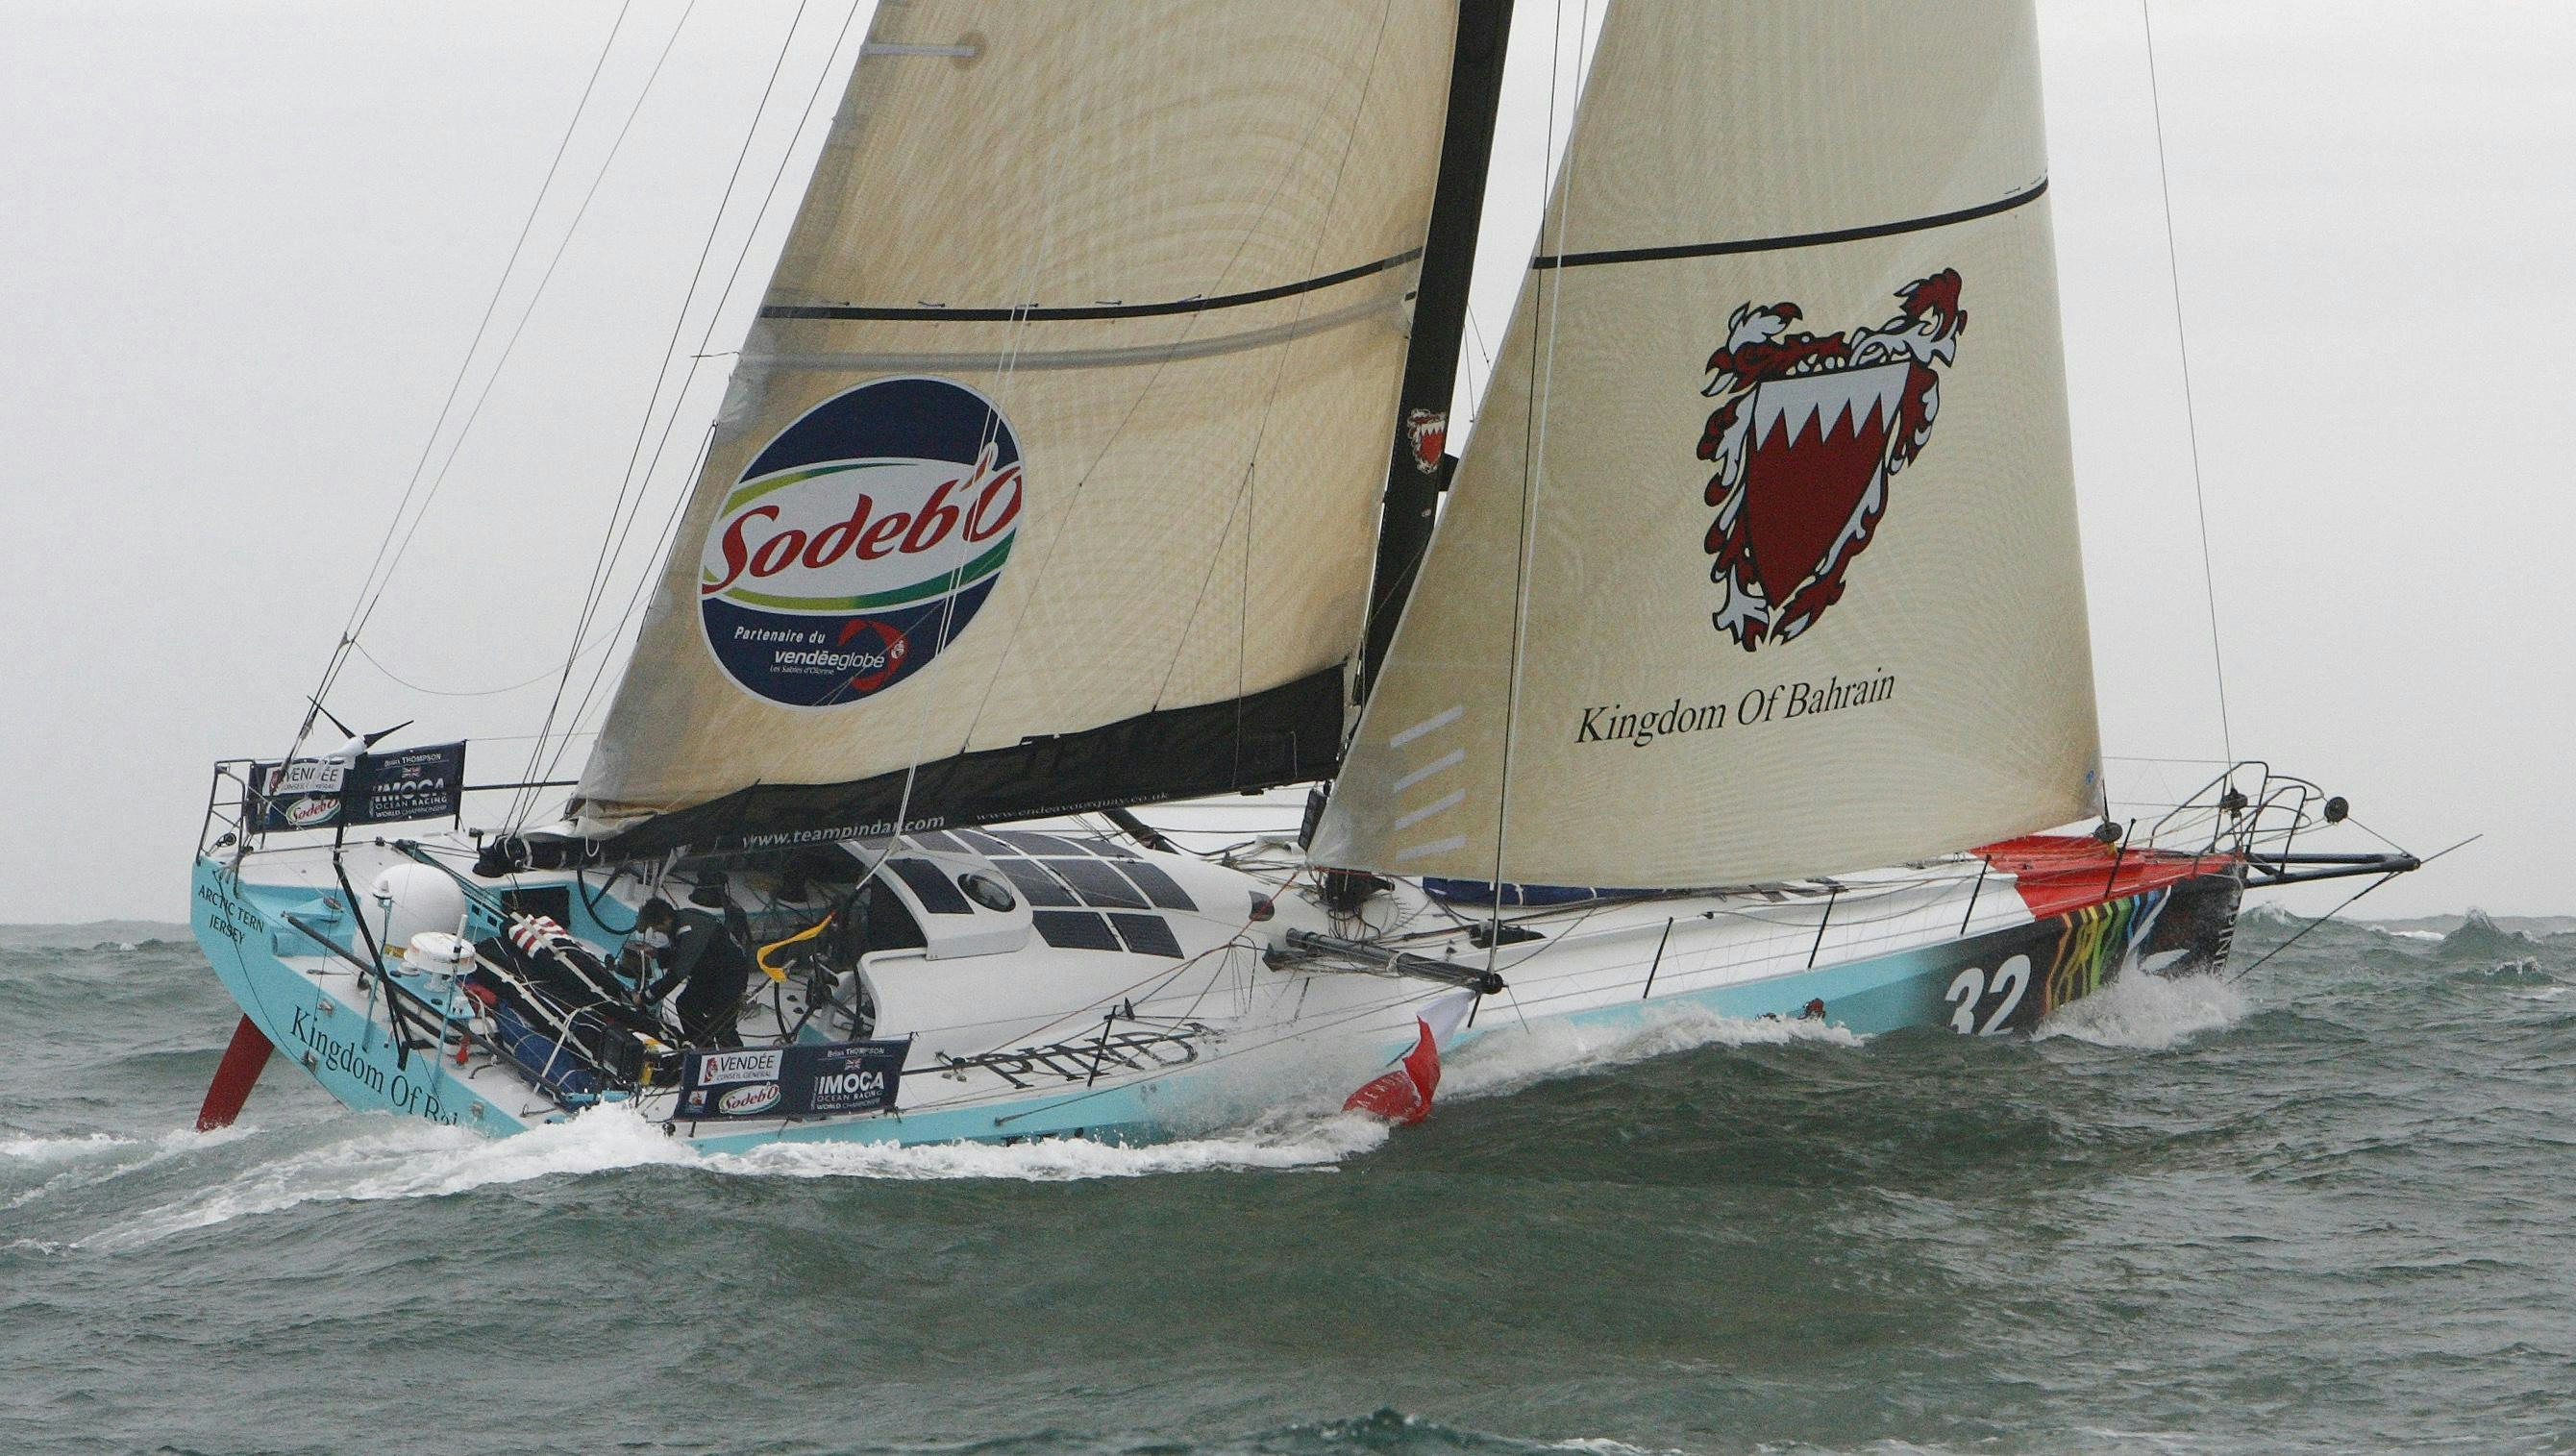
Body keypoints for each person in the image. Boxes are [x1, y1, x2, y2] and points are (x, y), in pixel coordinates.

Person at [632, 892, 757, 1049]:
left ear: (665, 920)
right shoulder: (681, 919)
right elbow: (687, 954)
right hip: (708, 971)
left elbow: (676, 974)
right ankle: (701, 1049)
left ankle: (736, 1062)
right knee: (686, 1004)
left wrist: (644, 997)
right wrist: (658, 953)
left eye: (656, 927)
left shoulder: (689, 930)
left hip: (730, 974)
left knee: (721, 1023)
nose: (657, 931)